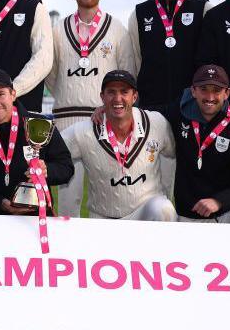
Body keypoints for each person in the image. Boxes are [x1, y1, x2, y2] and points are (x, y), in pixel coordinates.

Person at [45, 0, 135, 217]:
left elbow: (127, 74)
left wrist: (108, 106)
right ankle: (65, 251)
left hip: (105, 121)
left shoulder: (116, 29)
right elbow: (52, 74)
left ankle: (104, 250)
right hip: (66, 119)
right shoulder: (58, 30)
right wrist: (68, 95)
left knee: (106, 193)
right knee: (68, 195)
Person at [0, 68, 73, 215]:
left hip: (32, 208)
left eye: (0, 94)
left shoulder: (40, 125)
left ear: (13, 94)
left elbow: (66, 167)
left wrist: (47, 170)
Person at [61, 70, 175, 220]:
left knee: (163, 208)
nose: (118, 98)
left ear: (134, 96)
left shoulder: (156, 123)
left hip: (144, 212)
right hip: (103, 216)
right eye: (111, 92)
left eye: (124, 92)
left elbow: (177, 151)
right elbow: (52, 149)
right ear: (102, 97)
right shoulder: (84, 131)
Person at [159, 64, 230, 223]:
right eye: (204, 89)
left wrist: (219, 201)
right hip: (187, 214)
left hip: (226, 212)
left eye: (216, 90)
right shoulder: (178, 112)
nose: (210, 97)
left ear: (227, 93)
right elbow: (148, 114)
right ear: (193, 91)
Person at [129, 0, 210, 107]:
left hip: (193, 105)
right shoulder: (139, 13)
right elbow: (135, 62)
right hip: (151, 105)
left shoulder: (204, 8)